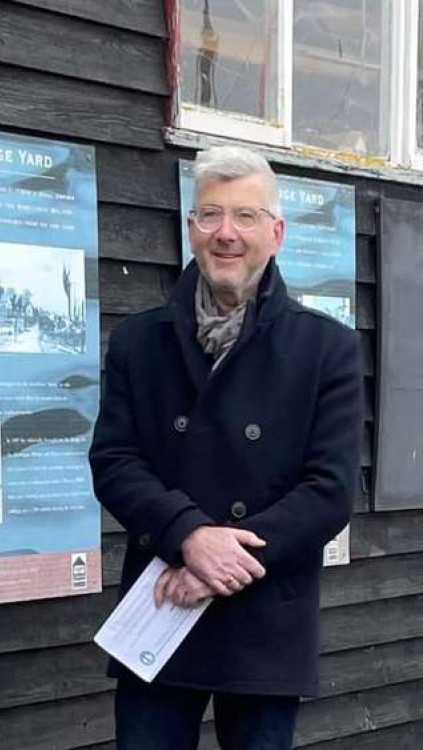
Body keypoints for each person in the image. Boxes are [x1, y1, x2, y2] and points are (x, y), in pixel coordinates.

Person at [89, 146, 362, 750]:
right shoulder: (139, 341)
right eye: (210, 215)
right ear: (190, 229)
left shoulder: (327, 349)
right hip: (161, 604)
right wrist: (190, 537)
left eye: (245, 216)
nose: (226, 234)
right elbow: (114, 461)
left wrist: (218, 567)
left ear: (277, 232)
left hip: (263, 616)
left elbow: (330, 490)